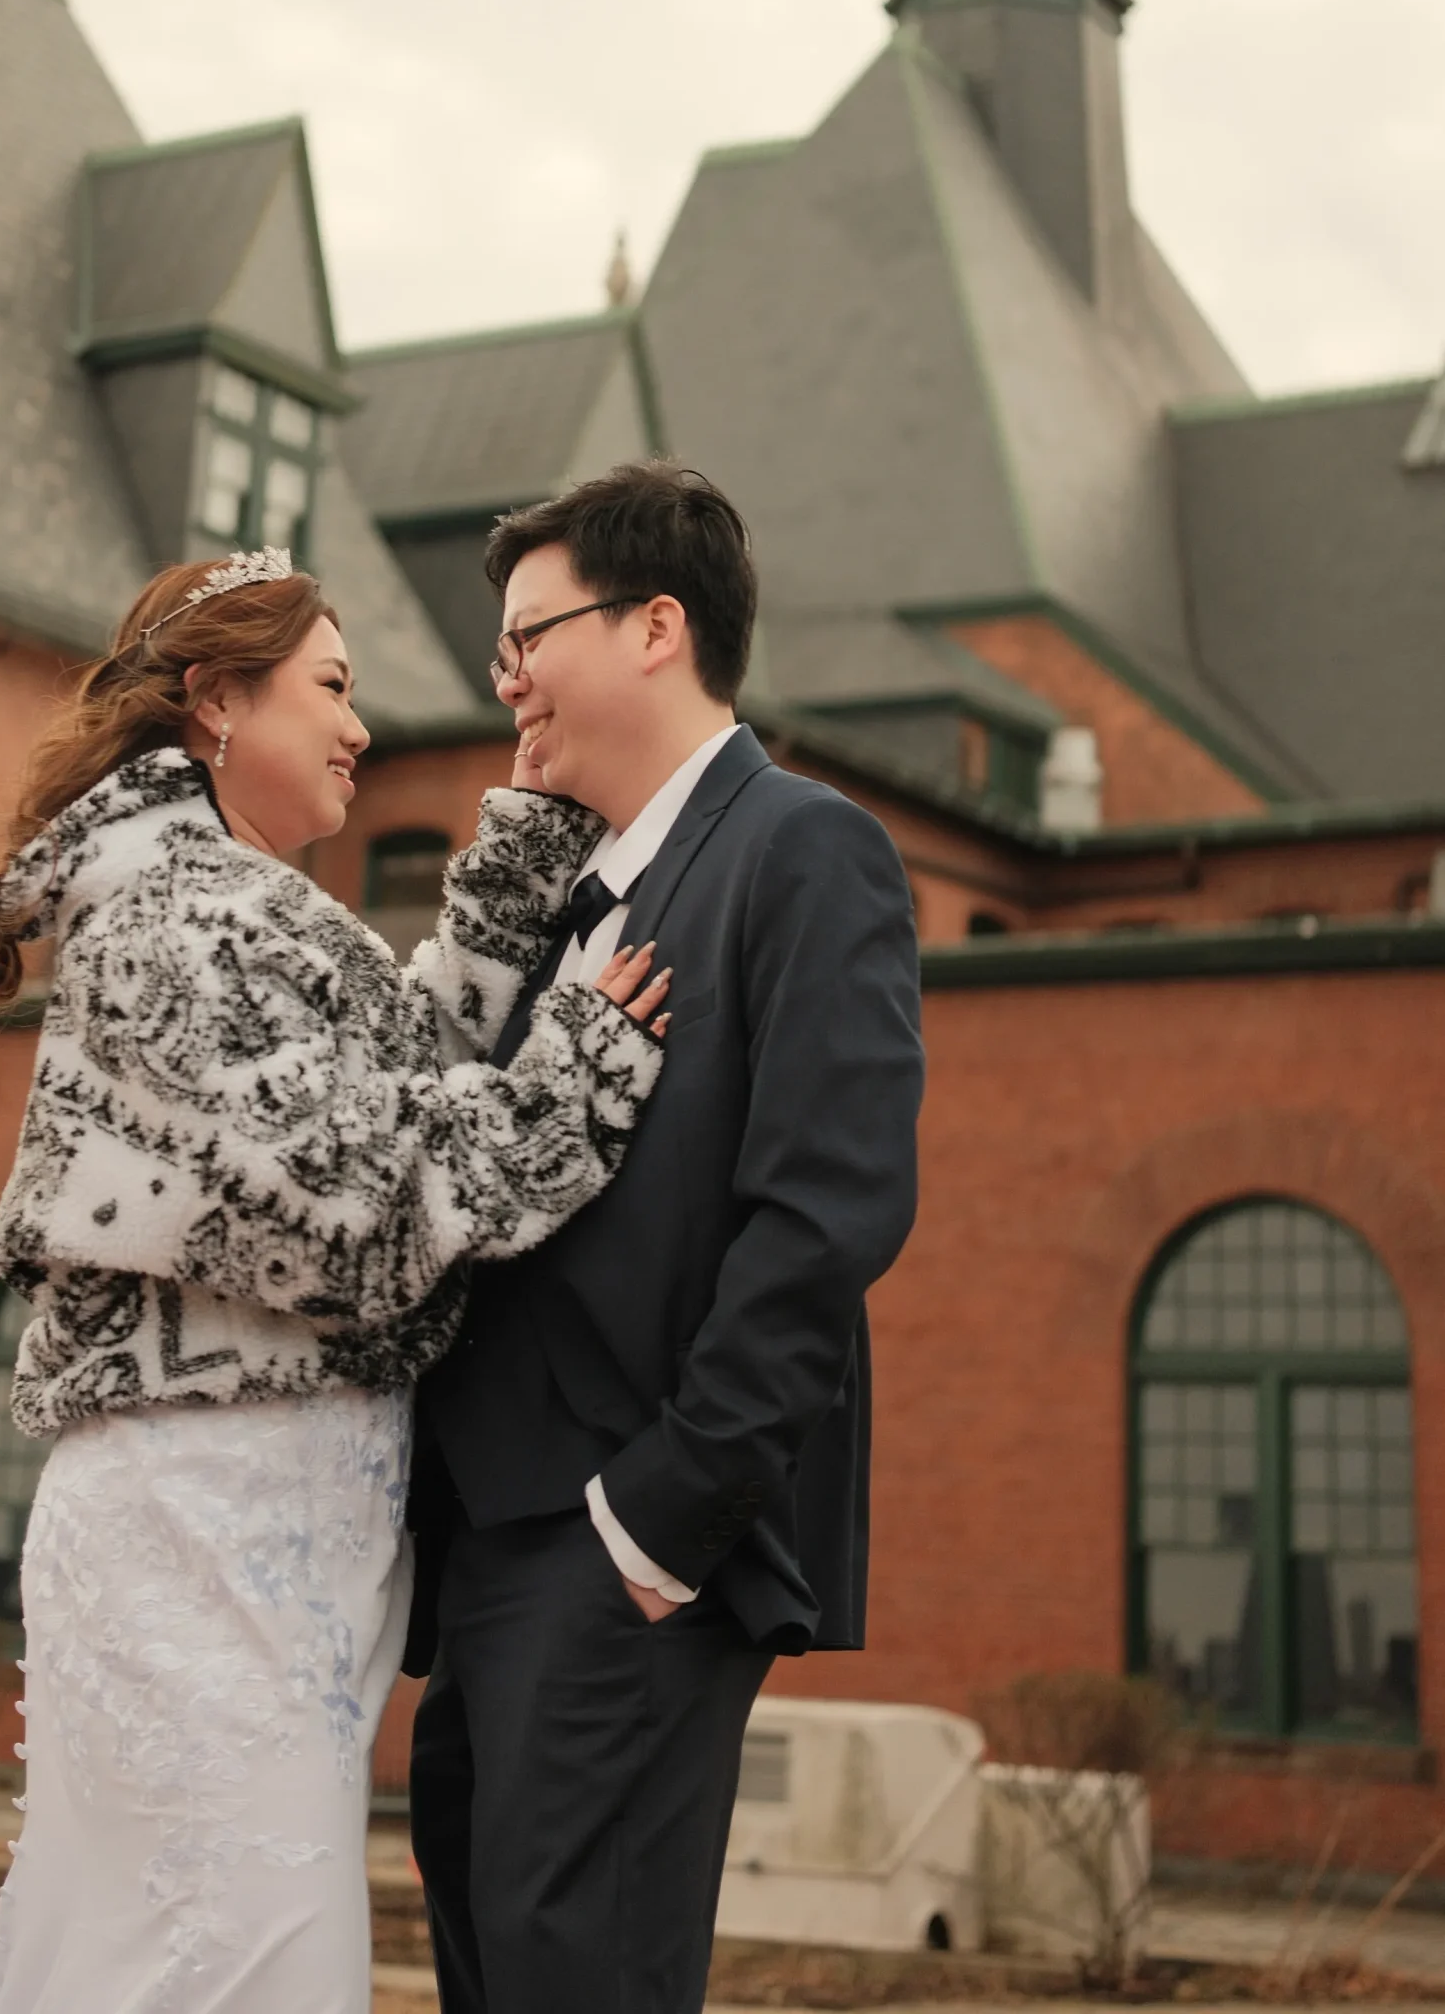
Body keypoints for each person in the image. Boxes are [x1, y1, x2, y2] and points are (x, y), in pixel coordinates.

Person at [0, 547, 670, 2014]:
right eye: (331, 686)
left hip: (258, 1527)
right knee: (234, 1953)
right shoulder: (176, 921)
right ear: (217, 702)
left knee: (181, 1945)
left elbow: (380, 1086)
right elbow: (349, 1214)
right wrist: (574, 1080)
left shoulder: (233, 903)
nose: (359, 727)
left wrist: (525, 855)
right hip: (205, 1529)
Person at [408, 461, 924, 2014]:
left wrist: (655, 1526)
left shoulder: (802, 849)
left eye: (527, 636)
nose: (503, 677)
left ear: (654, 627)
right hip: (489, 1554)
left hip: (625, 1555)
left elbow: (826, 1213)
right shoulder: (562, 903)